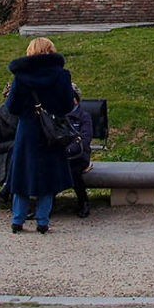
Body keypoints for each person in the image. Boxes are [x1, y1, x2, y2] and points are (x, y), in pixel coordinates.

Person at [5, 36, 75, 233]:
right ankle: (42, 220)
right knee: (48, 176)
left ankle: (18, 219)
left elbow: (12, 107)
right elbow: (68, 105)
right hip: (50, 131)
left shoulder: (21, 76)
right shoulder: (61, 75)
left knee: (22, 174)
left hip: (27, 129)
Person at [65, 82, 94, 219]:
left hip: (79, 155)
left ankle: (83, 201)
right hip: (61, 154)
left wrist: (70, 149)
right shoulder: (58, 115)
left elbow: (85, 138)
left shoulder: (84, 116)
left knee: (73, 170)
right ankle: (47, 202)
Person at [0, 83, 19, 205]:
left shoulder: (27, 113)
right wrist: (14, 144)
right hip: (6, 155)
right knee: (16, 153)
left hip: (27, 153)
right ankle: (16, 201)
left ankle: (7, 189)